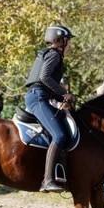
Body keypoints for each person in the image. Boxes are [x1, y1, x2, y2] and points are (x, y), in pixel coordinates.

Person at [25, 25, 75, 192]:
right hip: (38, 97)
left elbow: (46, 84)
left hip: (40, 95)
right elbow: (44, 77)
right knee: (59, 135)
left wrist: (64, 98)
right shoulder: (54, 55)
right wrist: (64, 92)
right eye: (68, 41)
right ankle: (47, 180)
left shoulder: (49, 54)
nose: (69, 46)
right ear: (60, 41)